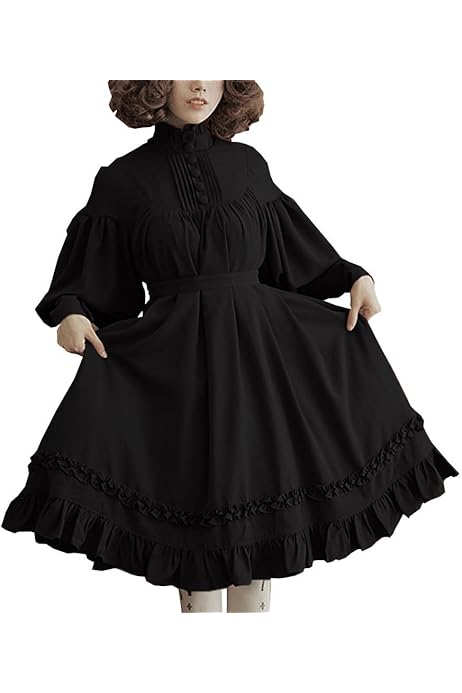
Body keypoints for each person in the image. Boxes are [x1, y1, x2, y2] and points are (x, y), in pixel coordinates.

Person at [2, 80, 458, 613]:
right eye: (181, 69)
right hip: (176, 374)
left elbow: (294, 253)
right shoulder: (121, 180)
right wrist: (71, 311)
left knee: (261, 530)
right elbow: (95, 280)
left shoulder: (248, 166)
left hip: (261, 365)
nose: (200, 84)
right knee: (194, 529)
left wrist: (354, 277)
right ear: (152, 83)